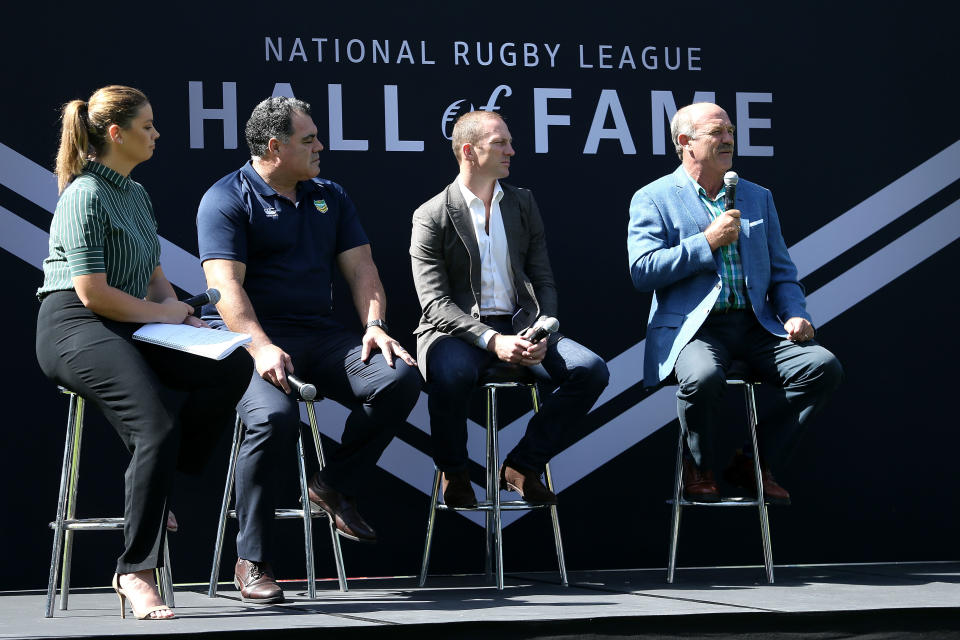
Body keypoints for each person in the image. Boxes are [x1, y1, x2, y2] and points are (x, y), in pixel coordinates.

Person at [35, 85, 253, 620]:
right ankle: (135, 569)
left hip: (132, 322)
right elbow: (92, 292)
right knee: (155, 425)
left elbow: (156, 282)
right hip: (75, 325)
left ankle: (154, 490)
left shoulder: (136, 195)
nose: (157, 134)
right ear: (116, 134)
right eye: (148, 126)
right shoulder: (83, 193)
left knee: (232, 364)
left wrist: (184, 315)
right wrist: (165, 314)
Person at [197, 96, 422, 604]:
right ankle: (252, 559)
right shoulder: (226, 198)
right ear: (274, 147)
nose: (321, 146)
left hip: (319, 335)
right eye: (309, 139)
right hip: (246, 339)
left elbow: (363, 271)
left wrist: (376, 324)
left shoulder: (330, 196)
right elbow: (225, 289)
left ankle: (331, 484)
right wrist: (260, 347)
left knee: (397, 377)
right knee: (273, 419)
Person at [627, 102, 843, 504]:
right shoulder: (653, 197)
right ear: (685, 142)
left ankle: (754, 461)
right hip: (696, 329)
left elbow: (782, 273)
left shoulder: (757, 196)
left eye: (730, 131)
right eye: (717, 132)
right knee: (703, 377)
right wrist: (707, 241)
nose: (728, 139)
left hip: (757, 325)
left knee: (822, 367)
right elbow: (643, 271)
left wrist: (796, 314)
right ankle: (699, 464)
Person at [410, 110, 609, 509]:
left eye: (509, 142)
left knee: (591, 370)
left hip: (523, 325)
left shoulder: (522, 203)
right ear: (468, 151)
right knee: (449, 375)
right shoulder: (430, 214)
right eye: (500, 143)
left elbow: (542, 277)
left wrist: (543, 331)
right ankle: (454, 472)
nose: (512, 151)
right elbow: (434, 303)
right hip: (456, 332)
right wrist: (492, 340)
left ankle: (521, 466)